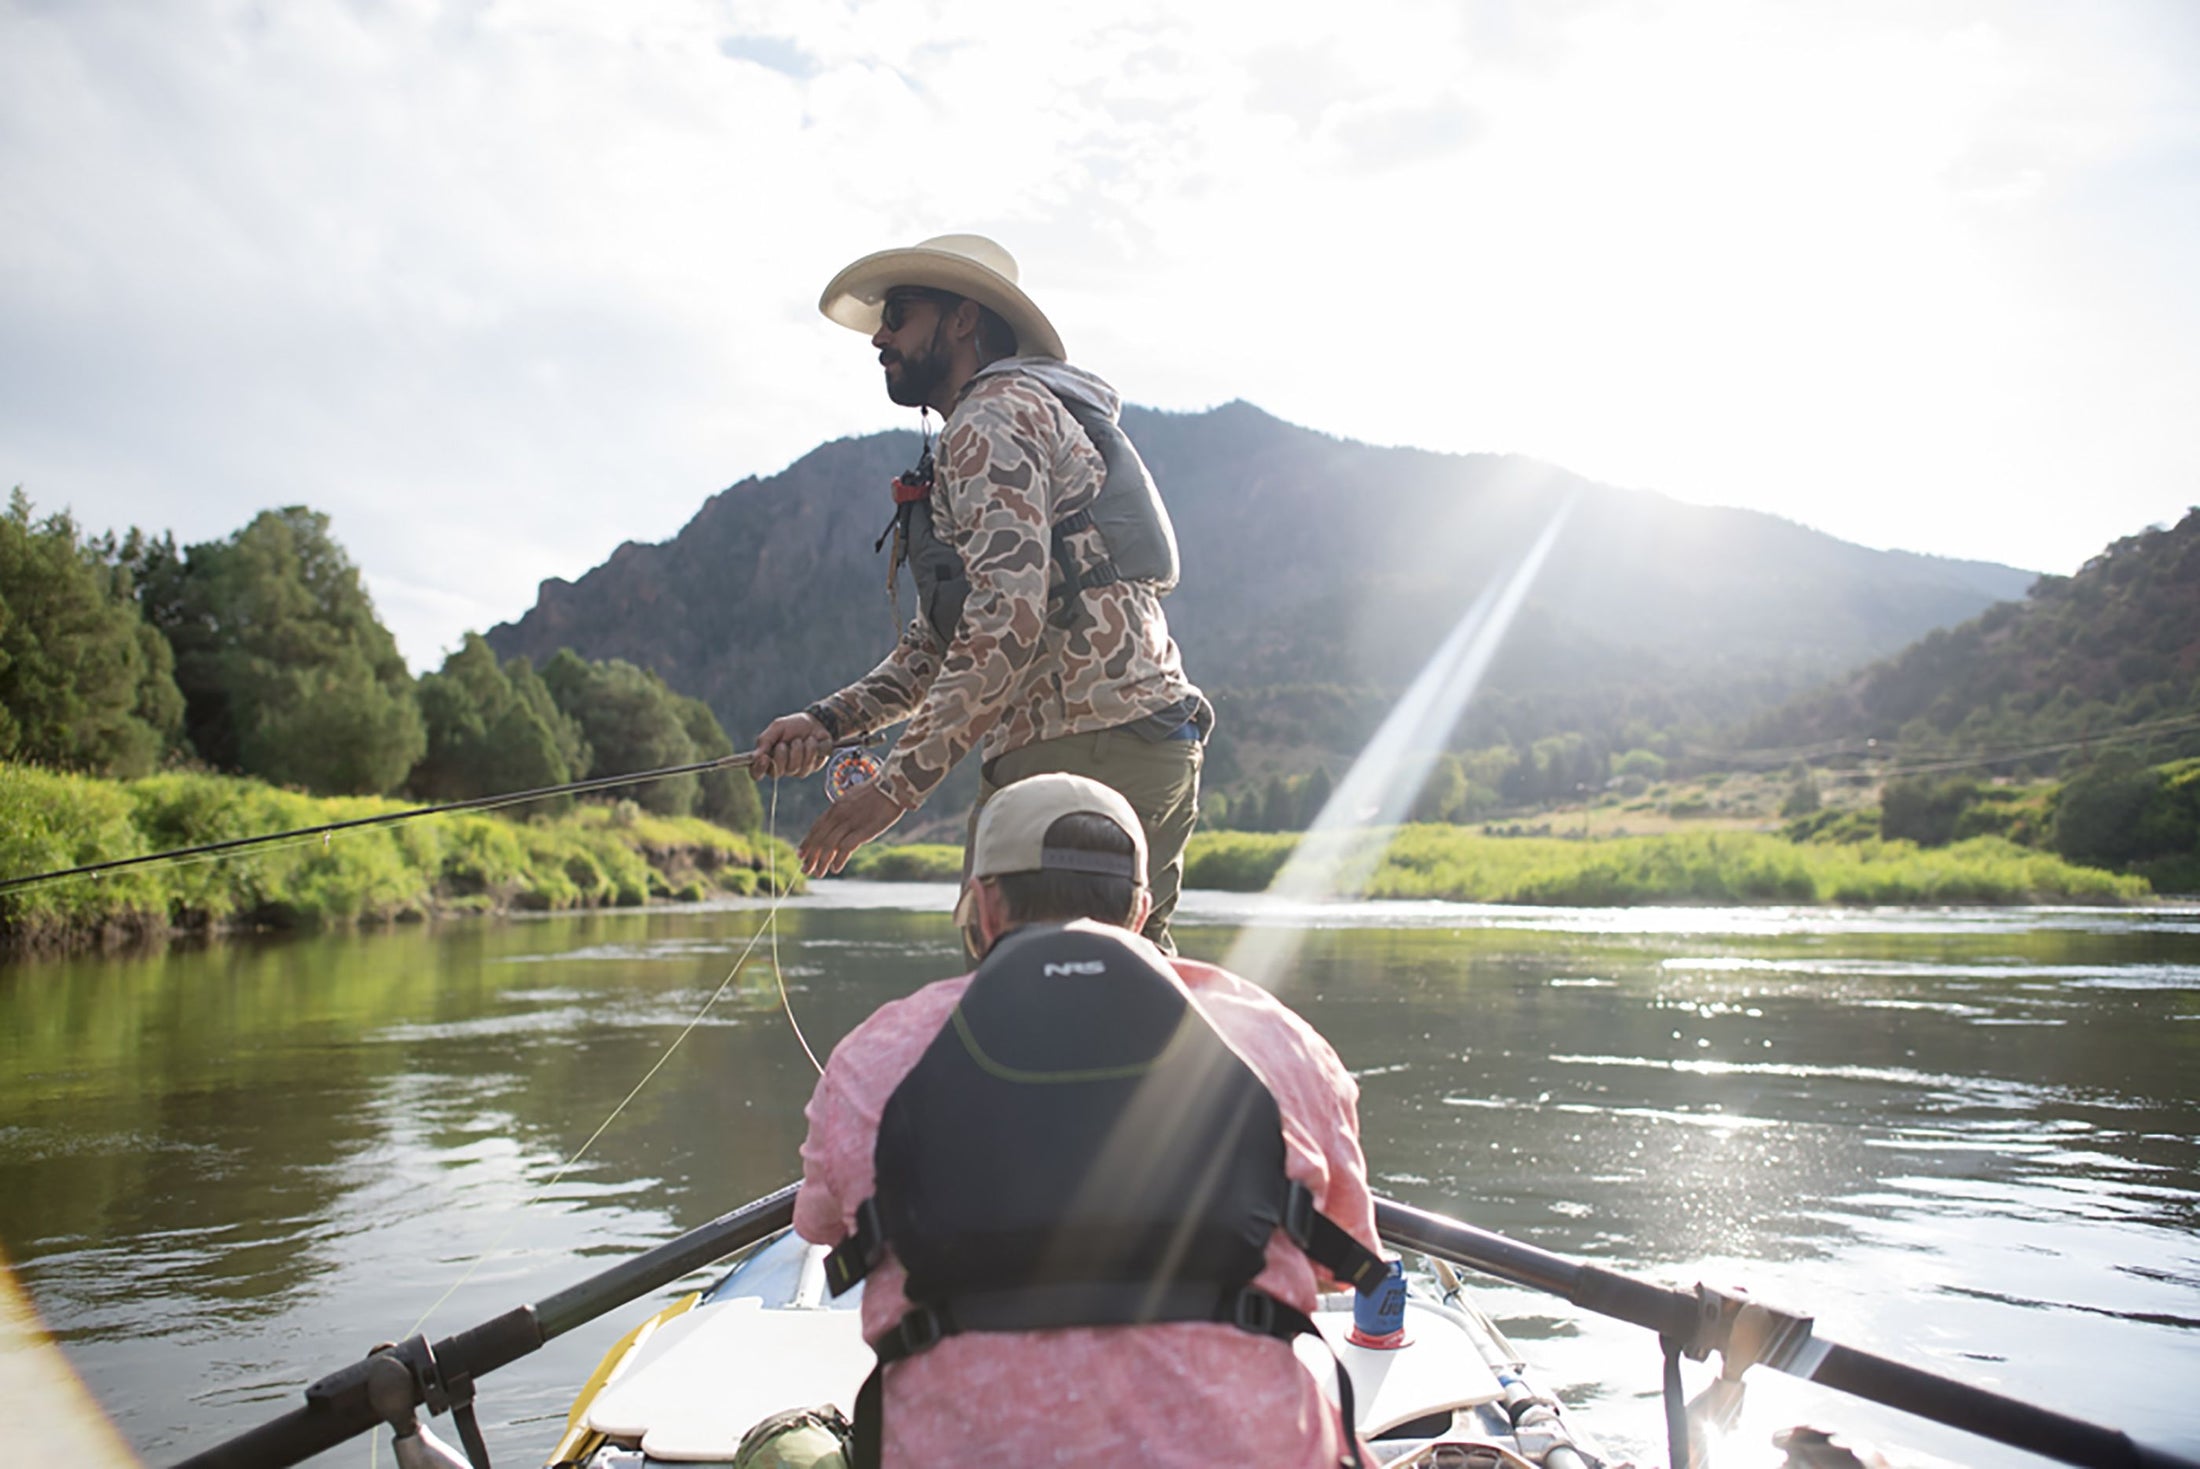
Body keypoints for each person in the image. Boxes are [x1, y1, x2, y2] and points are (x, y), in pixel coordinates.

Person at [793, 773, 1383, 1469]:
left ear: (983, 906)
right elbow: (1340, 1261)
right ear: (1139, 909)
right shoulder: (1281, 1042)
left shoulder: (873, 1054)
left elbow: (820, 1227)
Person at [754, 233, 1210, 952]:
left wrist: (893, 788)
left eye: (899, 312)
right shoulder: (1002, 419)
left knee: (1021, 1008)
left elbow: (1004, 622)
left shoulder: (990, 421)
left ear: (963, 320)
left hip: (1081, 753)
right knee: (1123, 1008)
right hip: (1133, 743)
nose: (880, 335)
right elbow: (942, 642)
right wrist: (827, 721)